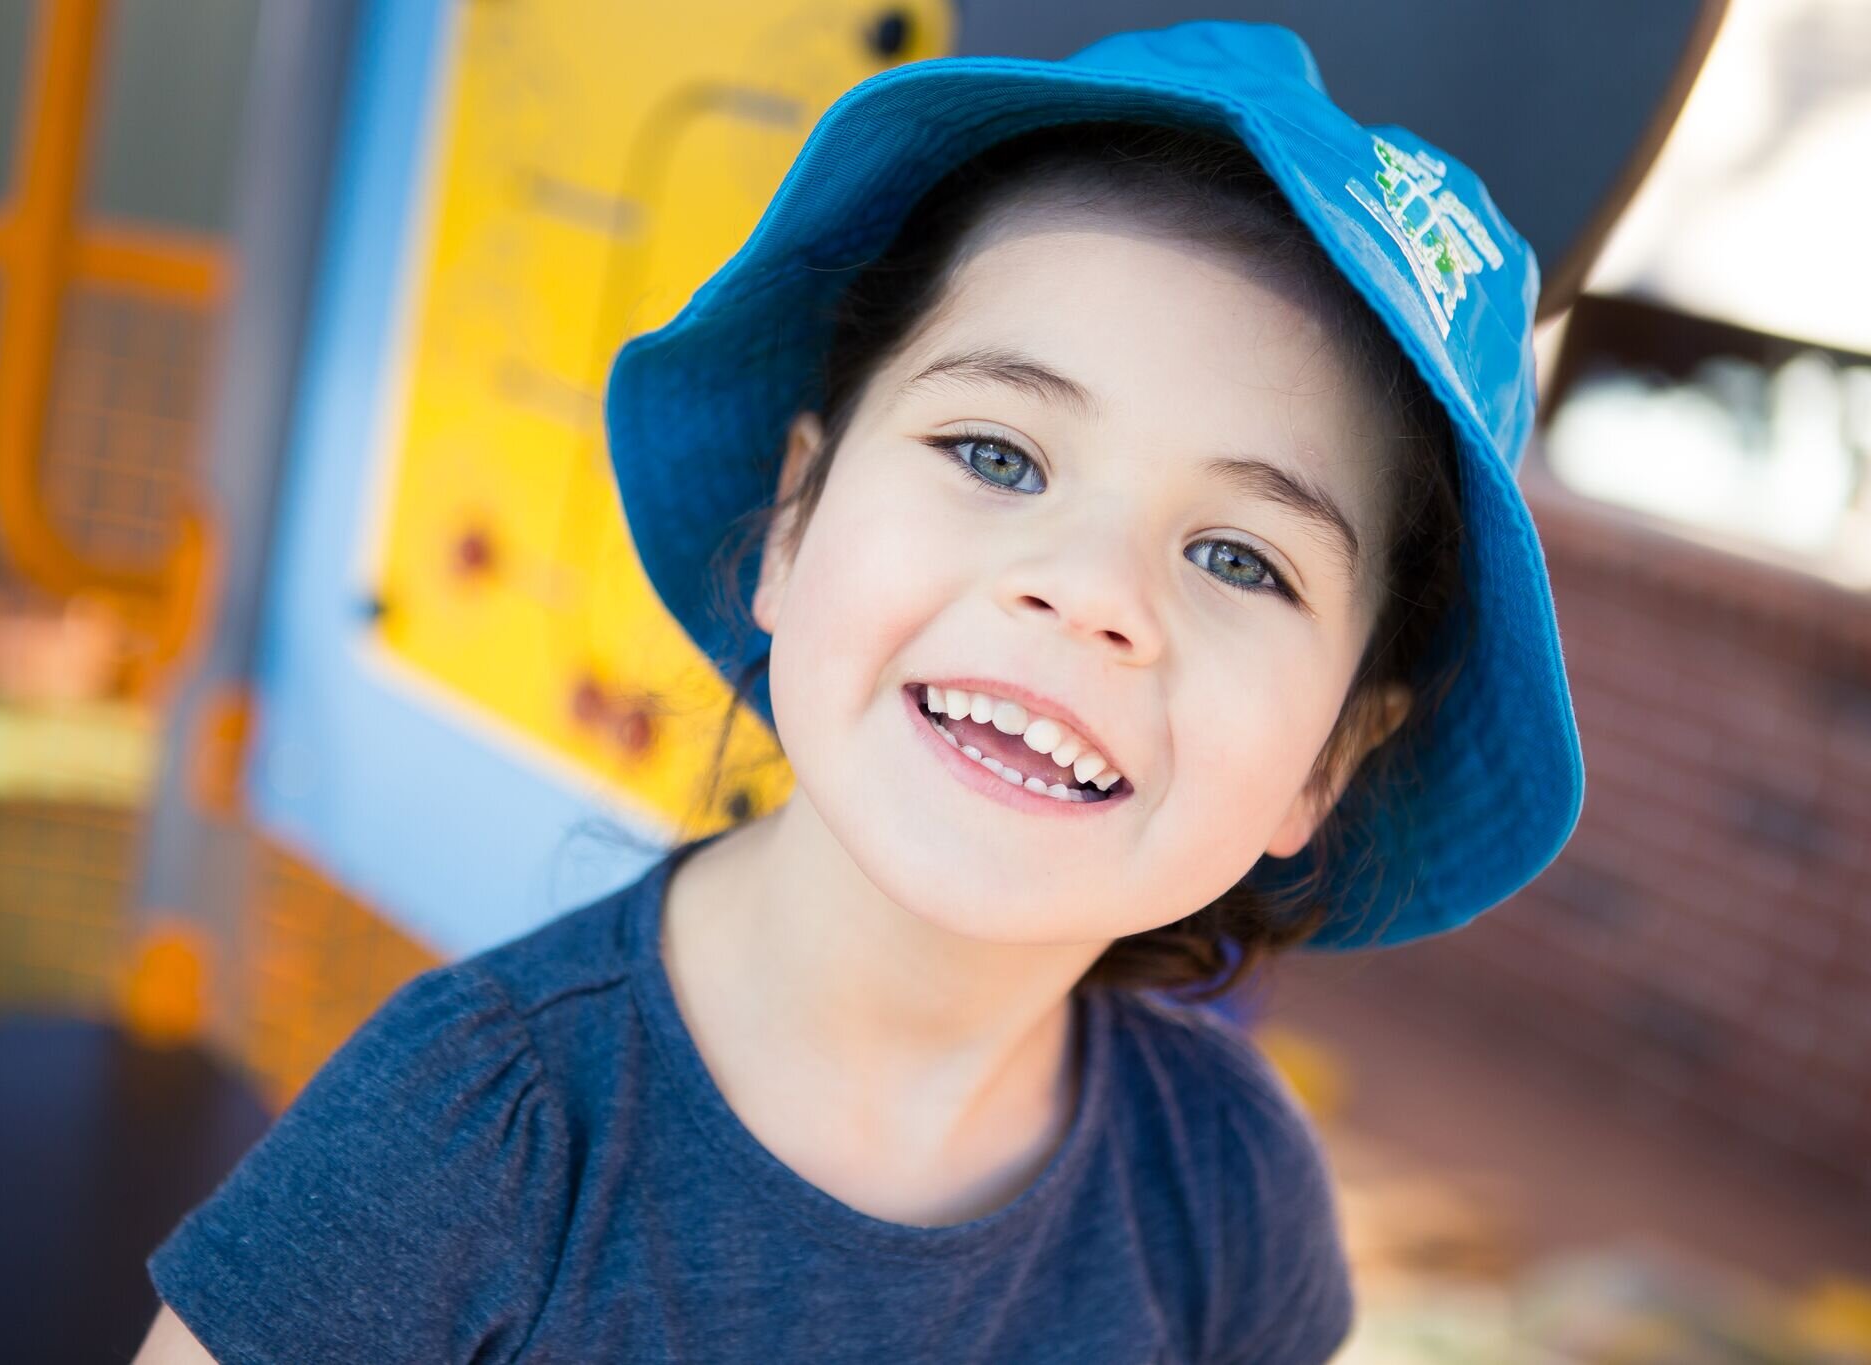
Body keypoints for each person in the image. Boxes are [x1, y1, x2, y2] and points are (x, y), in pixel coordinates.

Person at [134, 20, 1584, 1363]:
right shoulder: (470, 1142)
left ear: (1328, 760)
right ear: (793, 517)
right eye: (998, 454)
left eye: (1237, 555)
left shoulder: (1224, 1188)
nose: (1089, 591)